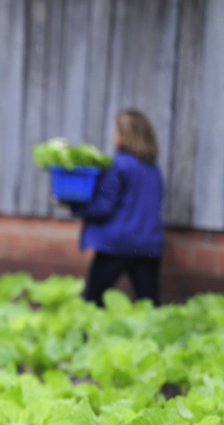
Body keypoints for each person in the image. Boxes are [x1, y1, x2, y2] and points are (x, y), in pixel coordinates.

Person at [69, 109, 165, 306]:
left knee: (93, 302)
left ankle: (89, 337)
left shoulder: (118, 165)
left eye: (116, 131)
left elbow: (103, 207)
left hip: (116, 245)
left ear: (124, 136)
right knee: (149, 305)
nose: (114, 136)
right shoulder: (153, 169)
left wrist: (73, 205)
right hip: (148, 246)